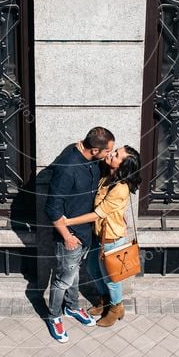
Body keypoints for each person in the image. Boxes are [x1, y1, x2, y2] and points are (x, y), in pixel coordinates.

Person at [45, 126, 115, 343]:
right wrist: (67, 236)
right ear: (94, 150)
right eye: (107, 151)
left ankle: (72, 308)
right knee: (62, 280)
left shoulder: (89, 157)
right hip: (72, 236)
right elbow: (52, 208)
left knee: (73, 273)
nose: (109, 155)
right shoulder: (68, 168)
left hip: (86, 233)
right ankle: (54, 316)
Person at [63, 145, 141, 328]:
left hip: (111, 240)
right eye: (114, 150)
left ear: (123, 166)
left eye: (116, 154)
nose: (111, 154)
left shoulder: (120, 188)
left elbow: (99, 213)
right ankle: (104, 301)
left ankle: (116, 309)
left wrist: (68, 222)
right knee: (92, 268)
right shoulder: (108, 175)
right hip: (99, 236)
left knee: (111, 279)